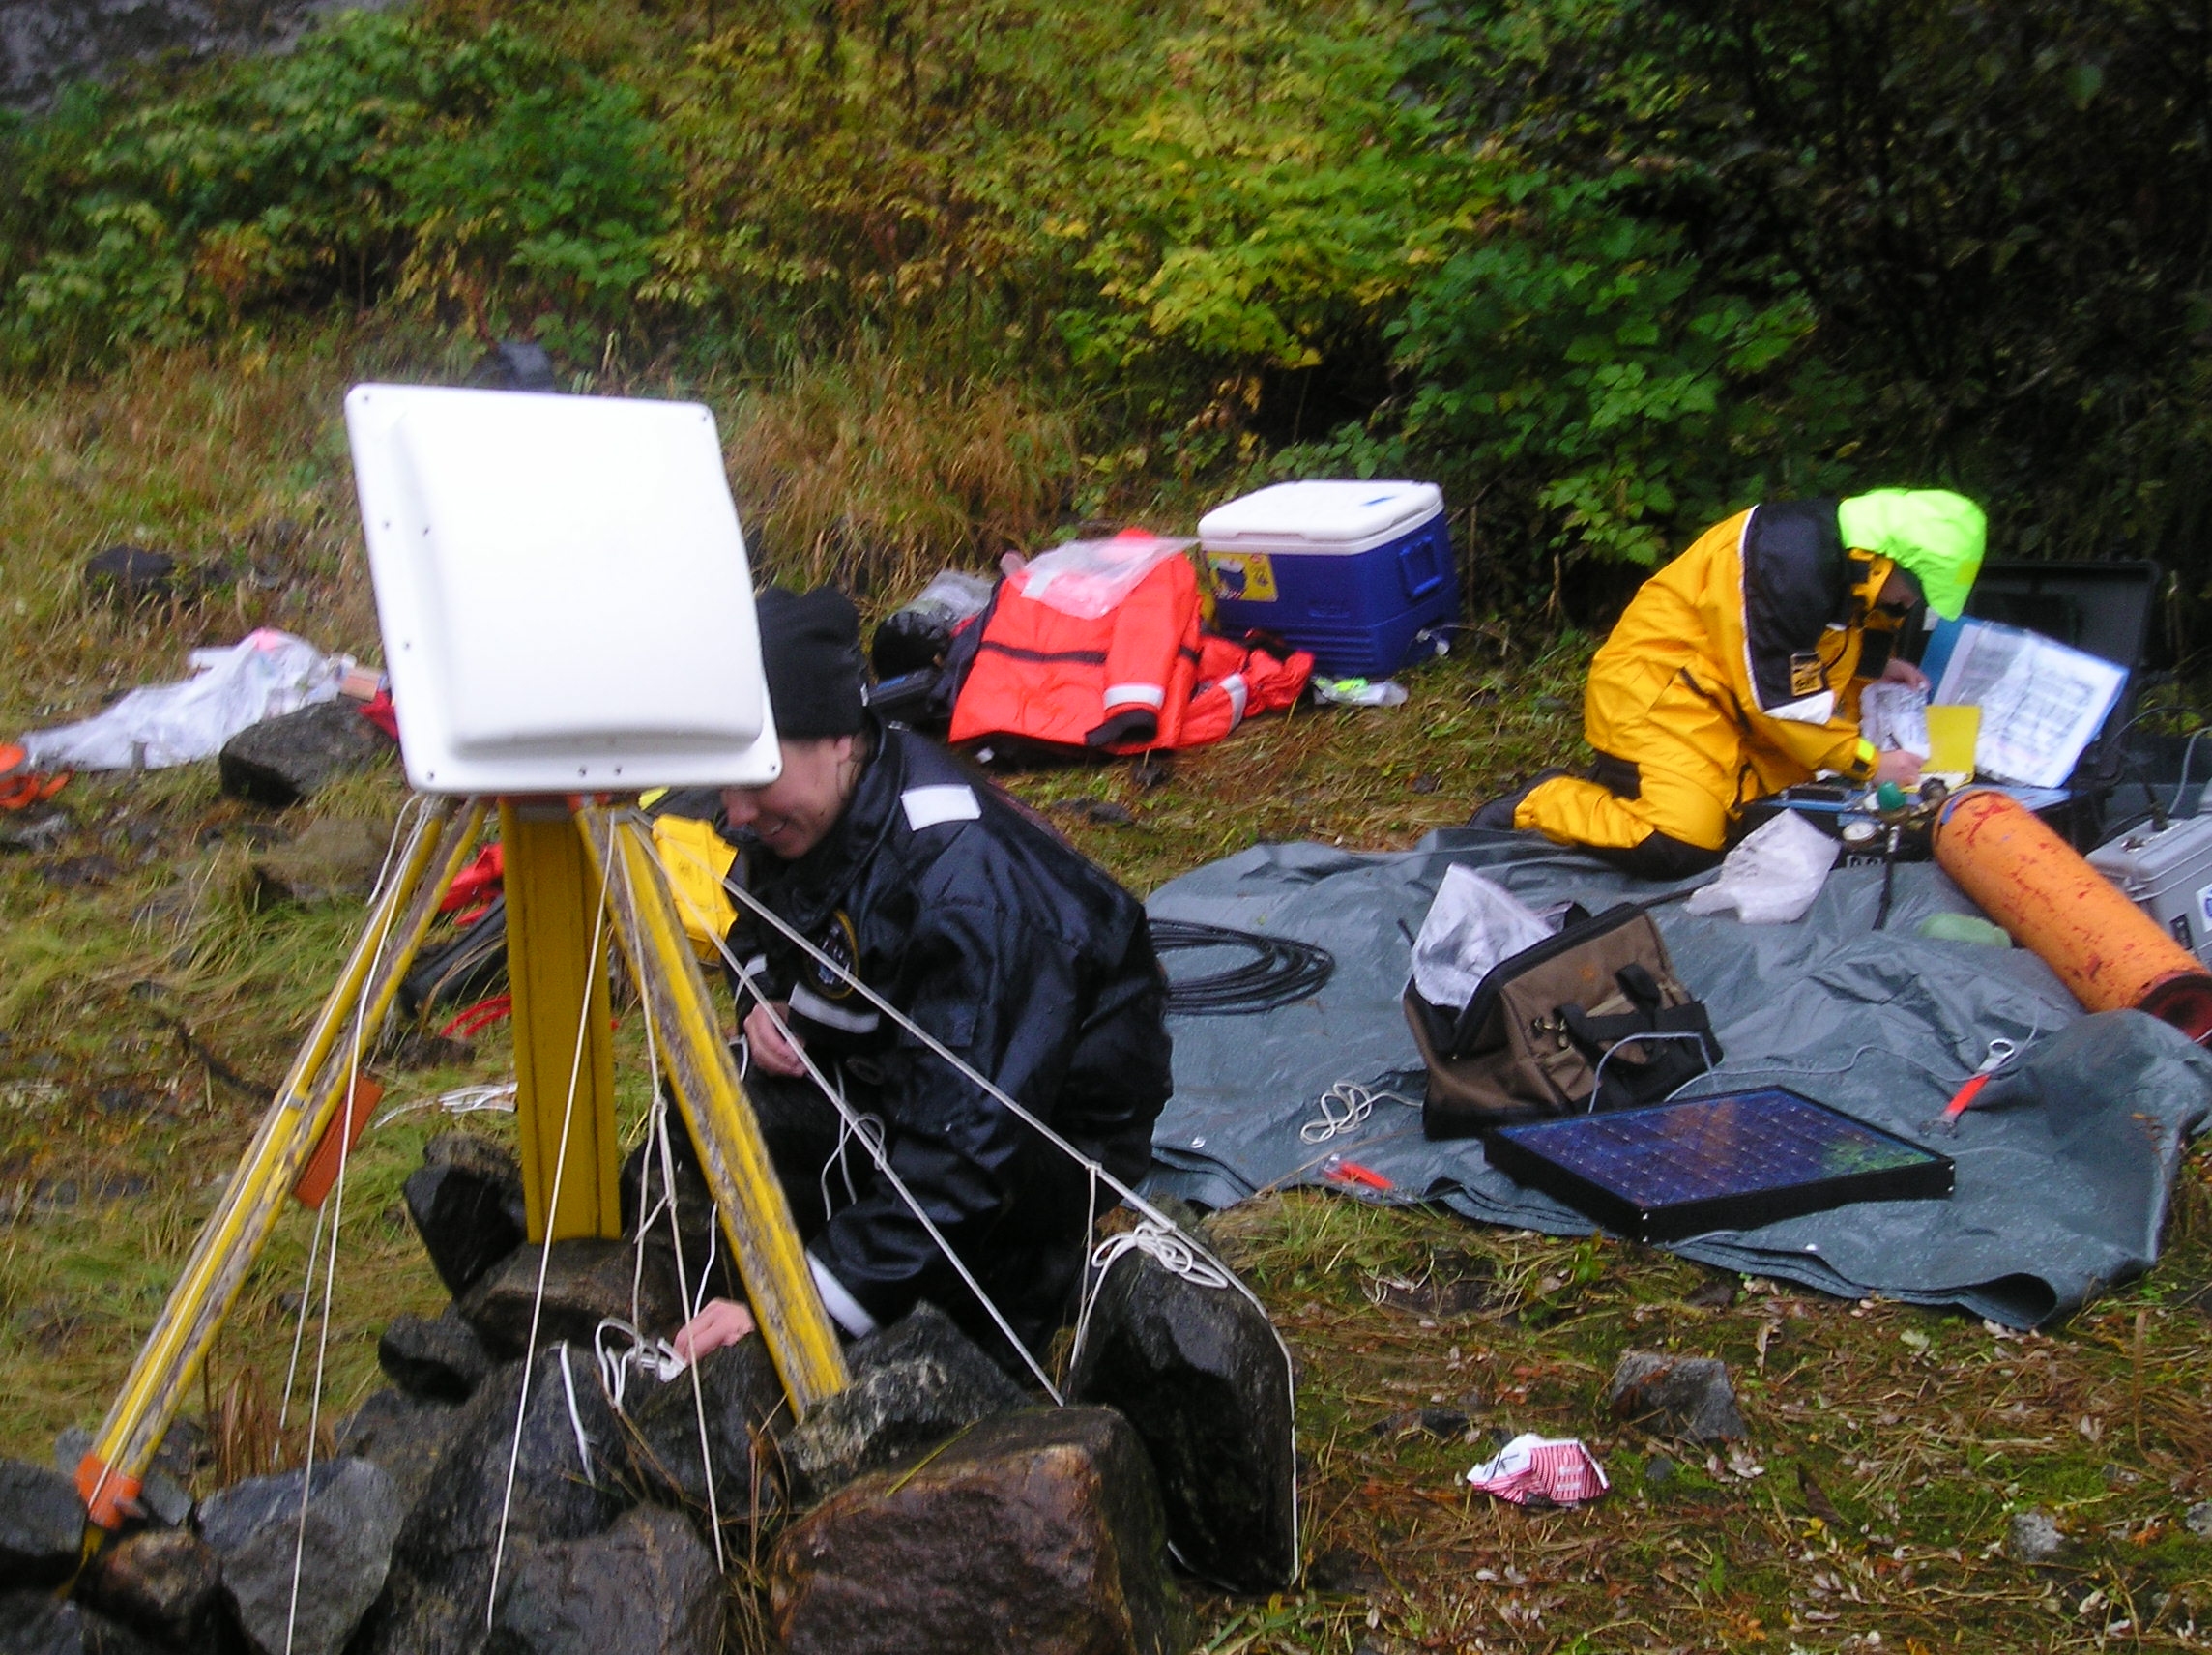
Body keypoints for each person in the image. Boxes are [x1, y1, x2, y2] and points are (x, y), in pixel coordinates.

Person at [673, 585, 1173, 1373]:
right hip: (898, 1082)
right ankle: (791, 1262)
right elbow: (753, 915)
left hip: (1039, 1153)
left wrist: (797, 1304)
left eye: (754, 777)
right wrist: (761, 995)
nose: (735, 811)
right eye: (724, 782)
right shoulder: (813, 807)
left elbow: (971, 1144)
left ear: (838, 737)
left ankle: (986, 1295)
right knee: (708, 1095)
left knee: (908, 1353)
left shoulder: (962, 888)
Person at [1475, 489, 1986, 878]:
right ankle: (1544, 800)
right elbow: (1785, 702)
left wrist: (1879, 669)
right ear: (1884, 560)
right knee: (1682, 844)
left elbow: (1847, 639)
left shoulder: (1856, 566)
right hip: (1659, 692)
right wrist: (1872, 764)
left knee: (1778, 821)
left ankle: (1647, 786)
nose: (1910, 605)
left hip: (1733, 700)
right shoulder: (1790, 567)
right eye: (1914, 591)